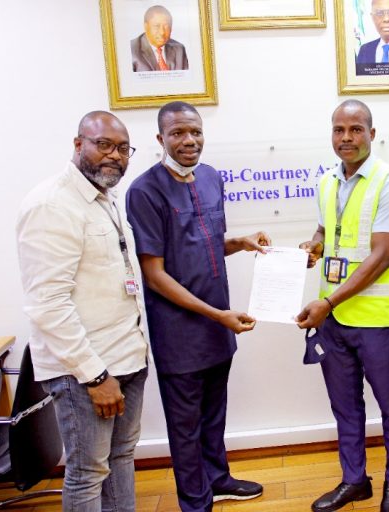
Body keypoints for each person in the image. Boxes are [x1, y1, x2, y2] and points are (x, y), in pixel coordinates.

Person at [126, 101, 267, 511]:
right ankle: (194, 500)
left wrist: (239, 243)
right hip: (180, 332)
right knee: (185, 425)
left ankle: (217, 479)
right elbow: (154, 273)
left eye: (196, 132)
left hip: (218, 325)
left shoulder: (210, 178)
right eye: (178, 133)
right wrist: (217, 315)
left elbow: (201, 244)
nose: (189, 140)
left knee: (214, 413)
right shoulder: (144, 191)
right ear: (161, 139)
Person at [16, 111, 149, 511]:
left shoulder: (104, 197)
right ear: (78, 145)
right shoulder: (52, 205)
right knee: (88, 473)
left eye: (123, 148)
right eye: (103, 144)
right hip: (87, 372)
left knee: (121, 457)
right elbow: (47, 303)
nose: (115, 155)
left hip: (127, 355)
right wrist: (95, 376)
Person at [296, 100, 389, 512]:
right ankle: (354, 480)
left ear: (371, 134)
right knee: (345, 407)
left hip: (377, 321)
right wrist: (315, 245)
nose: (346, 138)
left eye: (356, 129)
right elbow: (325, 230)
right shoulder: (327, 181)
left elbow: (382, 256)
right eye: (339, 130)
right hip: (334, 321)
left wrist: (327, 301)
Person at [131, 5, 189, 72]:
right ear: (146, 26)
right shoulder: (131, 50)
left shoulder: (179, 49)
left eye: (166, 26)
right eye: (157, 26)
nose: (162, 32)